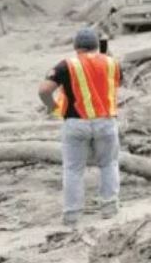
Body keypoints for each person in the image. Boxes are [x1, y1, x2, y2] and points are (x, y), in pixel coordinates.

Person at [37, 29, 122, 226]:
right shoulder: (112, 63)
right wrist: (105, 51)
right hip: (106, 122)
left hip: (75, 123)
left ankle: (72, 214)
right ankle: (109, 208)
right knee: (108, 164)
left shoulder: (67, 65)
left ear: (76, 47)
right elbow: (115, 81)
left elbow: (44, 90)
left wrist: (53, 108)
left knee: (73, 170)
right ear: (97, 45)